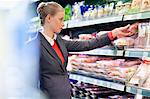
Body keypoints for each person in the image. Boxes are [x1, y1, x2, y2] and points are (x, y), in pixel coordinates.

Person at [36, 2, 135, 99]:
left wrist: (113, 34)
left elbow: (87, 44)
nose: (63, 24)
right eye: (60, 19)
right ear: (49, 18)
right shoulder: (34, 46)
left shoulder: (59, 41)